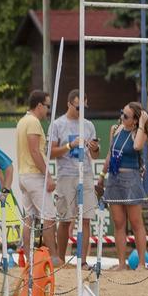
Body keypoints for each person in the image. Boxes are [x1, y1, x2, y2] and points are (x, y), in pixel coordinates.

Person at [48, 89, 101, 262]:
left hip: (85, 174)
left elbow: (94, 156)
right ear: (69, 104)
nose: (81, 111)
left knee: (86, 219)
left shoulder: (88, 125)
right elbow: (51, 152)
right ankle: (61, 258)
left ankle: (83, 260)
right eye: (78, 108)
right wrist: (69, 146)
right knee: (65, 219)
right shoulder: (57, 124)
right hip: (66, 175)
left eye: (84, 107)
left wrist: (94, 148)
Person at [102, 102, 148, 270]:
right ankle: (121, 263)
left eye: (126, 116)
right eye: (122, 113)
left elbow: (137, 146)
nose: (122, 117)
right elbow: (110, 153)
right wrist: (102, 176)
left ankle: (140, 263)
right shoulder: (115, 129)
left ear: (135, 120)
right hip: (114, 177)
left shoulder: (140, 132)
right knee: (118, 222)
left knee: (136, 221)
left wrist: (142, 124)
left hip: (130, 178)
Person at [16, 89, 60, 265]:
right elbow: (35, 151)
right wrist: (48, 175)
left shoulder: (22, 121)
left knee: (30, 217)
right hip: (34, 175)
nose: (48, 110)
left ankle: (29, 258)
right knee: (49, 216)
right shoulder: (33, 122)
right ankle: (55, 258)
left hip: (24, 175)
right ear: (39, 105)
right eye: (47, 106)